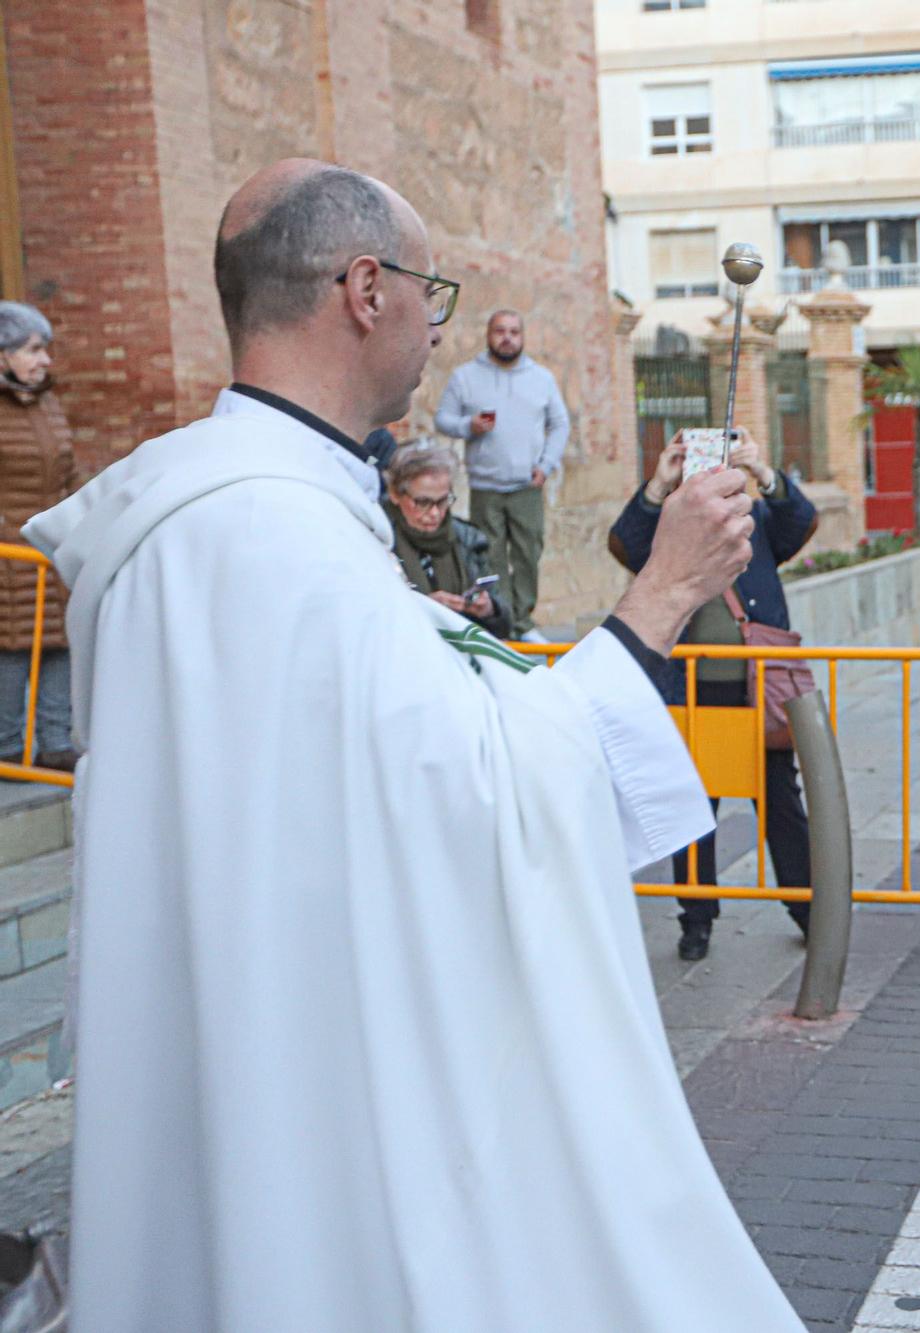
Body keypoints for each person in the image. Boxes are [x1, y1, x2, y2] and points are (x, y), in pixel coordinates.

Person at [22, 159, 803, 1330]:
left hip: (252, 1047)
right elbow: (486, 802)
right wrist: (660, 593)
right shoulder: (270, 535)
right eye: (431, 295)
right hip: (318, 1098)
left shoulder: (213, 517)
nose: (437, 328)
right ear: (365, 289)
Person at [609, 428, 818, 961]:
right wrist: (660, 483)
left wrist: (763, 471)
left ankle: (810, 909)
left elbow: (802, 523)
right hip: (690, 693)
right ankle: (695, 919)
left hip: (756, 692)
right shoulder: (670, 529)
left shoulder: (757, 521)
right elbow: (626, 543)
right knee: (692, 809)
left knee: (780, 802)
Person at [435, 309, 570, 639]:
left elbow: (560, 424)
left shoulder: (542, 379)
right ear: (488, 335)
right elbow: (443, 419)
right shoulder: (466, 376)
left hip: (527, 484)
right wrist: (469, 426)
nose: (506, 337)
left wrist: (547, 465)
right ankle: (502, 623)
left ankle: (523, 622)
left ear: (522, 337)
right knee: (489, 557)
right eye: (499, 331)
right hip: (485, 485)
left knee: (528, 554)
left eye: (513, 331)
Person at [0, 302, 80, 773]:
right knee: (10, 649)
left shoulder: (48, 404)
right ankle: (7, 747)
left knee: (58, 642)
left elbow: (68, 473)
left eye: (44, 349)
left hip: (50, 548)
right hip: (9, 554)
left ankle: (54, 743)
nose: (44, 360)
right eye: (32, 349)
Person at [381, 443, 512, 639]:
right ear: (395, 494)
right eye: (423, 502)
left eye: (443, 501)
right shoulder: (378, 539)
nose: (434, 513)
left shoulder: (469, 538)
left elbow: (505, 624)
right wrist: (424, 607)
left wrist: (488, 609)